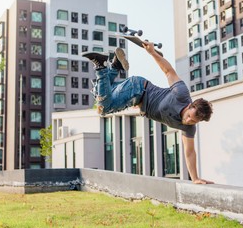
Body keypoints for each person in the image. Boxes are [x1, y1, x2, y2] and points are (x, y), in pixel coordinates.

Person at [82, 42, 213, 184]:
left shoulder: (188, 128)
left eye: (193, 121)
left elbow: (189, 152)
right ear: (189, 105)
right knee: (104, 107)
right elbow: (168, 71)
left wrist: (195, 178)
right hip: (137, 88)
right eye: (189, 116)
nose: (188, 121)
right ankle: (100, 65)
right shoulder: (181, 94)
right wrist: (152, 53)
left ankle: (116, 66)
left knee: (101, 91)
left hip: (135, 99)